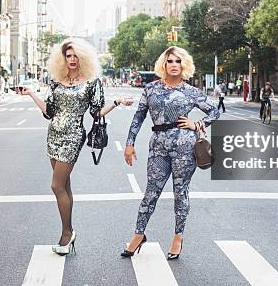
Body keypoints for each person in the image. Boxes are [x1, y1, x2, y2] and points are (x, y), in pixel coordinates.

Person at [21, 38, 133, 256]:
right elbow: (49, 112)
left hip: (73, 135)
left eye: (75, 55)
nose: (72, 59)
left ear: (83, 57)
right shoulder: (56, 81)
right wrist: (31, 94)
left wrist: (117, 102)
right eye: (68, 55)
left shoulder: (92, 82)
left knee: (56, 186)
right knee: (65, 186)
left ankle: (66, 233)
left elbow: (96, 113)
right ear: (62, 58)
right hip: (53, 133)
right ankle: (69, 231)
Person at [122, 46, 220, 260]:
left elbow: (216, 110)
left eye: (178, 61)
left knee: (180, 193)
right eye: (170, 61)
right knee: (151, 192)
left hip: (184, 147)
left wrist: (197, 124)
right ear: (163, 65)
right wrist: (130, 144)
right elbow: (138, 117)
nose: (174, 65)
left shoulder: (191, 91)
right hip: (158, 146)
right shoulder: (151, 89)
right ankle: (139, 235)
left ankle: (178, 236)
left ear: (183, 65)